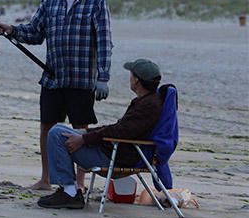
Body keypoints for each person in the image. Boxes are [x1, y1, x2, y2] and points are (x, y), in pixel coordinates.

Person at [0, 0, 112, 191]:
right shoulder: (51, 0)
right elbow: (35, 33)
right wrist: (11, 30)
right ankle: (46, 179)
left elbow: (105, 41)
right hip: (52, 78)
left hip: (81, 81)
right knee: (47, 128)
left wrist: (103, 77)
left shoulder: (96, 2)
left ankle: (79, 182)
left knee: (80, 131)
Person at [37, 58, 164, 209]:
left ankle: (69, 192)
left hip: (116, 157)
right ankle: (68, 190)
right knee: (60, 131)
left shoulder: (148, 106)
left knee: (56, 134)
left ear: (136, 80)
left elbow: (121, 131)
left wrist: (84, 139)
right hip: (114, 150)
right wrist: (85, 132)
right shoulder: (147, 101)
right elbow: (120, 128)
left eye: (131, 75)